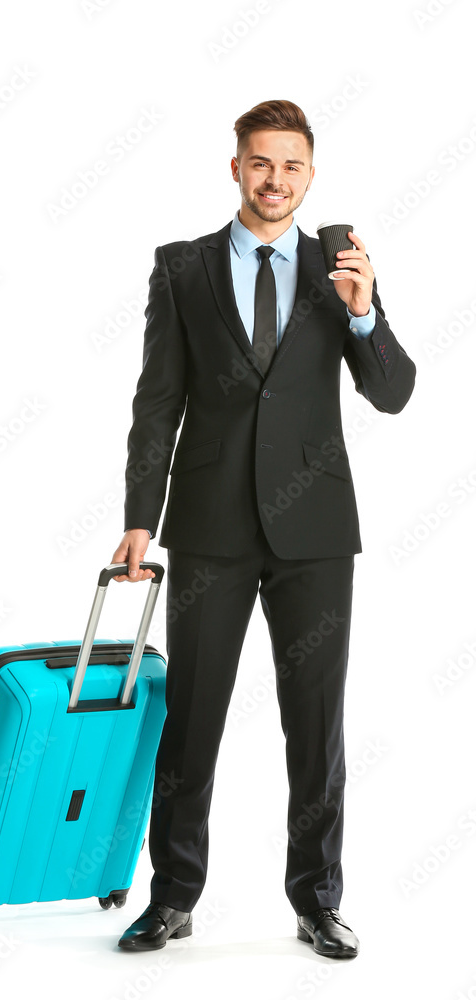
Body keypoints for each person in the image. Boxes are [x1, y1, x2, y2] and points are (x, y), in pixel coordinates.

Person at [110, 99, 416, 958]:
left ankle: (317, 900)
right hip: (208, 529)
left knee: (315, 723)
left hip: (316, 533)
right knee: (193, 718)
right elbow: (156, 403)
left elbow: (392, 392)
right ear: (235, 167)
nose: (275, 180)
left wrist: (364, 313)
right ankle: (172, 895)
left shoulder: (339, 265)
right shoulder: (183, 268)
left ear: (310, 176)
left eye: (291, 166)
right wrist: (140, 520)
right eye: (259, 163)